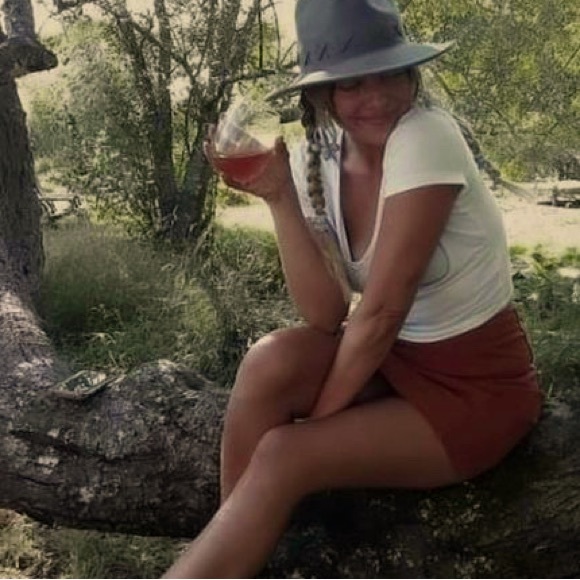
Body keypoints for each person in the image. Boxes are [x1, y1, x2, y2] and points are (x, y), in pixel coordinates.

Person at [164, 0, 542, 577]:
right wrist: (280, 197)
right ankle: (237, 546)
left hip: (477, 389)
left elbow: (382, 311)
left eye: (392, 74)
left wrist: (317, 429)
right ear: (322, 96)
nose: (378, 97)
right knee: (268, 360)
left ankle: (227, 552)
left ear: (412, 74)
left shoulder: (426, 135)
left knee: (285, 455)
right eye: (352, 84)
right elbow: (326, 312)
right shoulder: (321, 157)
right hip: (394, 362)